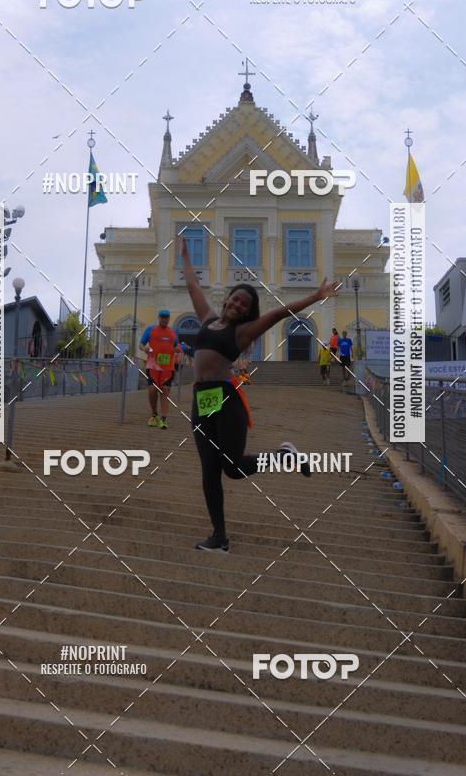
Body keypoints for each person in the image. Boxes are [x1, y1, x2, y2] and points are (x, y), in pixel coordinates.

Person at [180, 235, 340, 552]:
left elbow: (278, 314)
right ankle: (219, 537)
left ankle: (283, 457)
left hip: (226, 401)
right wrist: (184, 256)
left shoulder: (243, 331)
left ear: (247, 312)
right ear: (227, 299)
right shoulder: (208, 319)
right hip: (201, 400)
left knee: (233, 468)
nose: (238, 304)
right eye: (235, 299)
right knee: (210, 470)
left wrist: (315, 296)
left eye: (245, 304)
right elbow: (193, 287)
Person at [139, 311, 178, 429]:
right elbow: (141, 344)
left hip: (167, 367)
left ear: (169, 318)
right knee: (152, 390)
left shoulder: (173, 332)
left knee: (165, 390)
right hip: (153, 366)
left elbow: (176, 346)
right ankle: (154, 415)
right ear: (159, 318)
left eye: (166, 317)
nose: (164, 319)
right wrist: (144, 348)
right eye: (162, 317)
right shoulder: (150, 329)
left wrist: (179, 350)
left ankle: (163, 419)